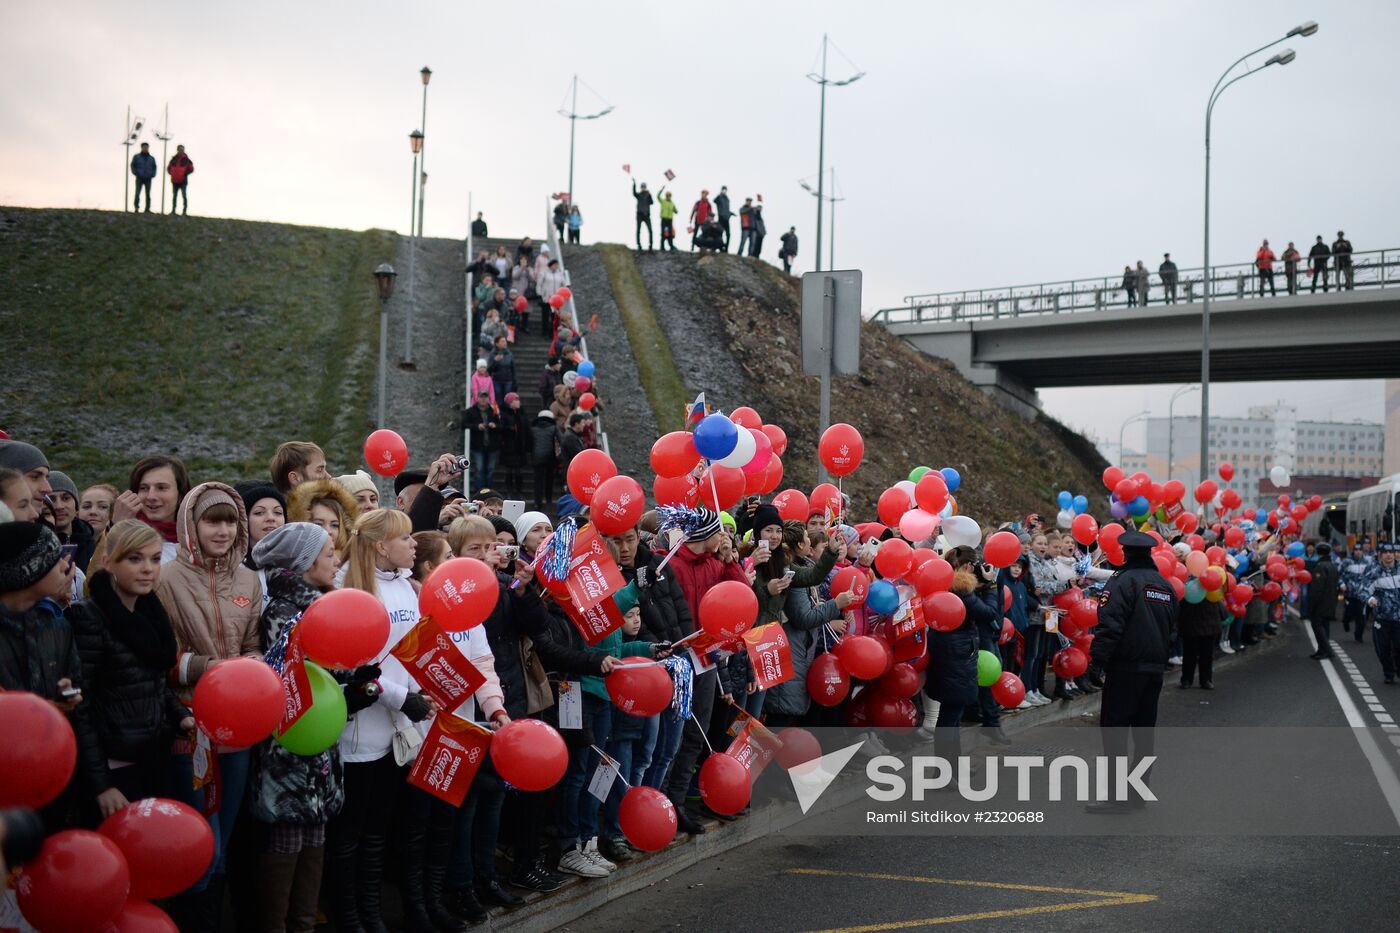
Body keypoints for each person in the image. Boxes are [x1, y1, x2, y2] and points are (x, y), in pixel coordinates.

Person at [156, 482, 262, 919]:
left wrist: (251, 664)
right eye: (211, 521)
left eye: (229, 521)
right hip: (189, 726)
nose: (222, 530)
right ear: (190, 525)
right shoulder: (165, 578)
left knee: (224, 847)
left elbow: (254, 644)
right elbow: (160, 658)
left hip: (239, 731)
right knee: (203, 845)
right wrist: (213, 668)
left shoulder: (249, 579)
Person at [329, 508, 428, 932]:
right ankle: (347, 916)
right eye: (404, 538)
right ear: (379, 546)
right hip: (359, 729)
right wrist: (403, 699)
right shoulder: (347, 587)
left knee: (377, 830)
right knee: (350, 833)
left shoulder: (408, 588)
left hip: (397, 730)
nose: (414, 544)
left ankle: (371, 913)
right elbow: (358, 663)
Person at [248, 523, 344, 933]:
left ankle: (303, 924)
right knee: (288, 839)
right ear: (304, 563)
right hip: (289, 747)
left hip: (320, 740)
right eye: (328, 554)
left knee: (315, 839)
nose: (336, 561)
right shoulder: (284, 613)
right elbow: (293, 681)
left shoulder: (324, 604)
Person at [68, 520, 193, 818]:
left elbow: (149, 680)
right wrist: (101, 785)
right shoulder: (89, 618)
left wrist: (180, 717)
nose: (148, 568)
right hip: (114, 769)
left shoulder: (149, 612)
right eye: (135, 559)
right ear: (109, 562)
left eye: (154, 558)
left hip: (154, 756)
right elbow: (79, 706)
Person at [0, 522, 106, 828]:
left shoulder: (56, 627)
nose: (65, 564)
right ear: (27, 570)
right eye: (53, 558)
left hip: (53, 782)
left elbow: (78, 702)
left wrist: (64, 700)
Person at [663, 507, 748, 834]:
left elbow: (742, 595)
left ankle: (679, 798)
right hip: (679, 658)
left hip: (708, 658)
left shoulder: (716, 563)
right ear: (703, 535)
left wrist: (730, 561)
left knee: (697, 731)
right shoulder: (673, 564)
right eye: (718, 533)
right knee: (673, 734)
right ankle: (664, 798)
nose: (723, 538)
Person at [1086, 530, 1178, 814]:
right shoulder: (1165, 587)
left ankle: (1115, 798)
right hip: (1154, 669)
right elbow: (1172, 630)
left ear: (1125, 553)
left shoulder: (1121, 582)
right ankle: (1137, 793)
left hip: (1125, 668)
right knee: (1143, 734)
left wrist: (1096, 663)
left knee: (1114, 732)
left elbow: (1109, 625)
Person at [1357, 543, 1400, 684]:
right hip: (1382, 618)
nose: (1388, 555)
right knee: (1383, 648)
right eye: (1385, 552)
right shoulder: (1374, 572)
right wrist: (1369, 599)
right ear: (1381, 555)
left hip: (1398, 618)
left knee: (1399, 647)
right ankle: (1388, 673)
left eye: (1391, 552)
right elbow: (1362, 590)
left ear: (1395, 554)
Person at [47, 471, 97, 572]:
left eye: (65, 498)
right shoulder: (35, 546)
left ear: (76, 507)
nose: (59, 506)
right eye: (51, 499)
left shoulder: (92, 545)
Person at [1177, 586, 1223, 689]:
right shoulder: (1189, 581)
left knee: (1205, 653)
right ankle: (1189, 679)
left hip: (1208, 619)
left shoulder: (1211, 577)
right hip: (1192, 618)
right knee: (1190, 653)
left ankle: (1202, 679)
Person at [1306, 543, 1341, 660]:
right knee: (1325, 626)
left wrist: (1311, 605)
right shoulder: (1332, 565)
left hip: (1321, 602)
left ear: (1318, 552)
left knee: (1317, 625)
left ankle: (1326, 650)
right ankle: (1322, 650)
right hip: (1331, 601)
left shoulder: (1320, 566)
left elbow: (1317, 589)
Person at [463, 390, 501, 494]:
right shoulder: (471, 411)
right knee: (479, 469)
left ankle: (488, 492)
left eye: (485, 397)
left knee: (490, 469)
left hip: (492, 446)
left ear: (488, 398)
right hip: (478, 446)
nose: (483, 399)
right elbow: (464, 424)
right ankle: (479, 492)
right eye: (481, 397)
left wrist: (495, 425)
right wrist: (476, 426)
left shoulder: (494, 411)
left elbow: (502, 425)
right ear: (477, 398)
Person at [497, 392, 530, 499]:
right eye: (515, 400)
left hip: (520, 448)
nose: (518, 402)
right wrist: (509, 429)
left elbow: (526, 430)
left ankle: (519, 491)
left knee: (519, 472)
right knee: (510, 472)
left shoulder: (522, 415)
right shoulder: (505, 415)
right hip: (509, 448)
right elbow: (501, 429)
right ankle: (510, 492)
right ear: (510, 402)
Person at [1339, 544, 1370, 643]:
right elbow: (1339, 574)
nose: (1358, 552)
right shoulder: (1347, 562)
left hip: (1362, 595)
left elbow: (1370, 577)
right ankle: (1346, 621)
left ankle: (1358, 635)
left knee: (1361, 615)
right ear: (1353, 551)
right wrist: (1342, 584)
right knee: (1349, 613)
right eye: (1356, 550)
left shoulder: (1367, 563)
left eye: (1360, 550)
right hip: (1350, 593)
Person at [531, 409, 560, 510]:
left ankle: (537, 502)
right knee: (549, 479)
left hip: (536, 458)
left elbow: (529, 444)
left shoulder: (533, 429)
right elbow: (561, 440)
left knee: (538, 481)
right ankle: (548, 499)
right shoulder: (553, 428)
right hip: (550, 457)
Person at [167, 144, 194, 215]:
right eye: (180, 149)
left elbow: (191, 169)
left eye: (182, 149)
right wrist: (173, 174)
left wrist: (184, 174)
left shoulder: (187, 160)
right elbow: (169, 168)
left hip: (183, 181)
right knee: (174, 196)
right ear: (177, 150)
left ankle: (184, 211)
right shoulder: (173, 159)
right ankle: (173, 210)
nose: (181, 151)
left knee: (184, 195)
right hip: (175, 181)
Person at [131, 142, 156, 212]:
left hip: (148, 178)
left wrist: (152, 174)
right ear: (141, 148)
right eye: (144, 147)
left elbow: (154, 167)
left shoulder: (151, 158)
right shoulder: (136, 157)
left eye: (146, 147)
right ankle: (136, 207)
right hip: (139, 177)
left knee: (148, 194)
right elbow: (133, 165)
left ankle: (147, 209)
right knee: (137, 193)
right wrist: (135, 173)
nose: (145, 148)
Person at [632, 180, 654, 252]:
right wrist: (634, 184)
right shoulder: (638, 195)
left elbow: (652, 202)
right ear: (640, 188)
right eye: (642, 187)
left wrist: (650, 195)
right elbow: (634, 193)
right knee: (638, 230)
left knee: (650, 230)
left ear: (645, 187)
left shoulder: (648, 195)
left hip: (647, 215)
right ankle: (639, 245)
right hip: (639, 215)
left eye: (644, 187)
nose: (643, 188)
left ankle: (650, 245)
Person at [714, 186, 732, 251]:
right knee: (720, 233)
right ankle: (720, 247)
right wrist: (720, 194)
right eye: (723, 190)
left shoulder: (727, 199)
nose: (724, 191)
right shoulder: (719, 198)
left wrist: (730, 213)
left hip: (726, 219)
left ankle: (726, 248)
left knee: (728, 234)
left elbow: (727, 209)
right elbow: (714, 200)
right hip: (721, 218)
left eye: (725, 190)